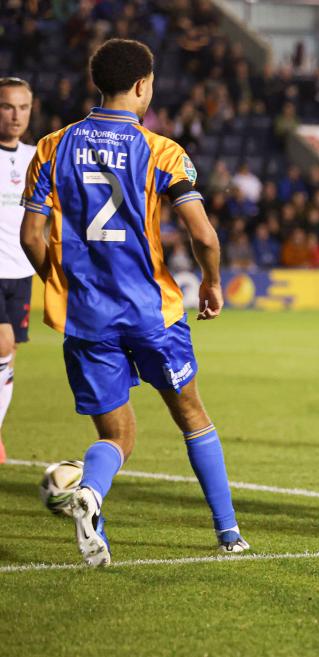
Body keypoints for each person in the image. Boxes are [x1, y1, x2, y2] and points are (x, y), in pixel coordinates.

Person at [19, 38, 247, 567]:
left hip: (87, 316)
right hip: (153, 313)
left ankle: (92, 493)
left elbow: (32, 237)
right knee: (191, 415)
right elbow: (204, 236)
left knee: (116, 433)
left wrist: (61, 281)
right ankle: (229, 533)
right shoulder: (162, 150)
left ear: (98, 82)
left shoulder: (52, 146)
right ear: (144, 84)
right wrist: (211, 282)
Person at [0, 78, 36, 463]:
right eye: (8, 107)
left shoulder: (34, 157)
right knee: (3, 345)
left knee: (8, 358)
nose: (16, 116)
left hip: (20, 271)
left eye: (23, 108)